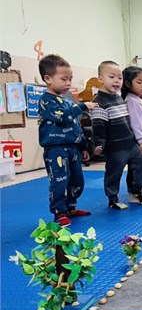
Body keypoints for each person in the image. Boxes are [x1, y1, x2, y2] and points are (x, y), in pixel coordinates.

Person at [38, 54, 98, 226]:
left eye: (70, 79)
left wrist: (83, 146)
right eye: (64, 79)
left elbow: (75, 126)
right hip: (56, 149)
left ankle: (70, 207)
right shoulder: (46, 101)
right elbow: (62, 116)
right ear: (48, 79)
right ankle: (59, 211)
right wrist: (83, 106)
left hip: (73, 148)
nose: (68, 83)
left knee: (77, 180)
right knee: (59, 181)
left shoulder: (67, 101)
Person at [91, 60, 142, 209]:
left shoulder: (118, 98)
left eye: (119, 77)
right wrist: (98, 144)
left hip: (130, 143)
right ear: (100, 79)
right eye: (112, 77)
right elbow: (98, 126)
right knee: (114, 173)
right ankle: (113, 198)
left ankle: (136, 190)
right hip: (114, 147)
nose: (116, 81)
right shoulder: (99, 102)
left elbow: (128, 121)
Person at [121, 66, 142, 201]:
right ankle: (134, 192)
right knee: (138, 165)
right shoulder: (132, 100)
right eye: (139, 82)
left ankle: (139, 190)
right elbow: (136, 122)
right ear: (128, 84)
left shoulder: (138, 99)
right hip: (137, 141)